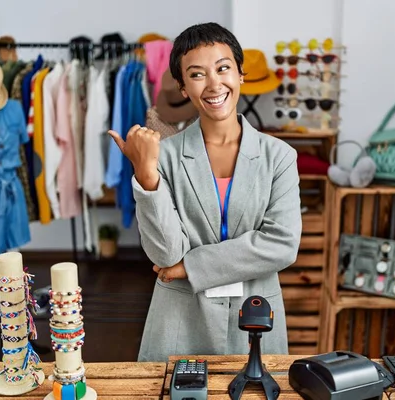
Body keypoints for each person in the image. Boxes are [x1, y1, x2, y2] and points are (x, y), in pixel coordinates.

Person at [107, 22, 302, 362]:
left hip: (254, 314)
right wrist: (146, 175)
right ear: (182, 87)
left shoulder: (279, 156)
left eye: (223, 68)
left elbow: (282, 246)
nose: (214, 84)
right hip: (179, 316)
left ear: (240, 74)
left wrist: (190, 266)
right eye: (197, 74)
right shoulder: (164, 156)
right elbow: (166, 256)